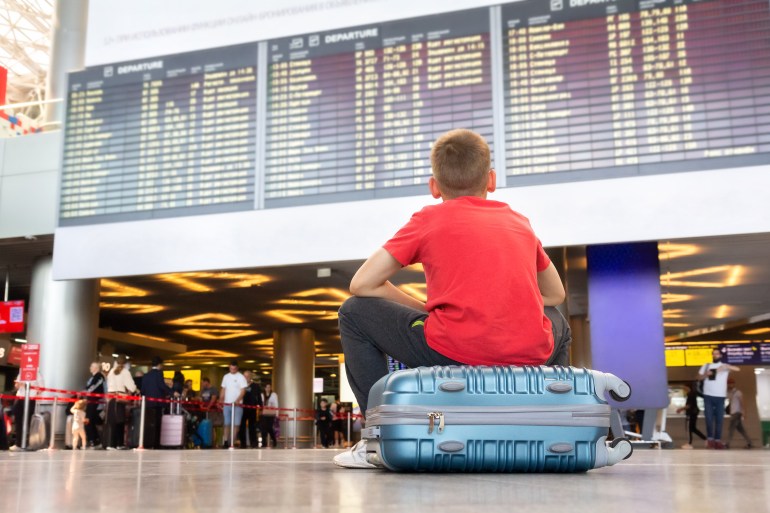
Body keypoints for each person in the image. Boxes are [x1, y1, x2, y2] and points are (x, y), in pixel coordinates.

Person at [334, 129, 570, 468]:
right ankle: (553, 424)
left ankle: (380, 436)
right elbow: (555, 294)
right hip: (529, 356)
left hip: (453, 350)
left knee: (353, 313)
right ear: (491, 180)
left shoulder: (428, 219)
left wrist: (424, 309)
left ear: (434, 186)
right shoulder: (519, 222)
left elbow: (363, 284)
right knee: (557, 319)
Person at [697, 348, 740, 449]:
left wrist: (725, 366)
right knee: (709, 418)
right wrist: (705, 375)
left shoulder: (724, 366)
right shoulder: (706, 366)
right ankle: (710, 439)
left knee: (719, 419)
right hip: (708, 395)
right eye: (713, 354)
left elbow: (738, 369)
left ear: (720, 355)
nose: (715, 355)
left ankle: (717, 440)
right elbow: (698, 378)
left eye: (717, 354)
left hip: (720, 396)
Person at [141, 356, 175, 449]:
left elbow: (143, 390)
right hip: (157, 403)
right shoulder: (159, 374)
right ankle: (156, 444)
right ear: (160, 364)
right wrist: (172, 392)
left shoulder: (146, 375)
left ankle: (147, 442)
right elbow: (161, 386)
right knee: (157, 423)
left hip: (148, 403)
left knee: (148, 424)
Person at [104, 354, 137, 450]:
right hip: (120, 398)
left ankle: (110, 443)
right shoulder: (125, 372)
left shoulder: (111, 371)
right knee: (120, 421)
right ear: (125, 363)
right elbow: (132, 387)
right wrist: (135, 389)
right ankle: (119, 444)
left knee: (111, 421)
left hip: (110, 399)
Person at [10, 369, 43, 451]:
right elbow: (16, 386)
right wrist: (18, 384)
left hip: (30, 398)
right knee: (18, 421)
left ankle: (27, 443)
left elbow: (41, 388)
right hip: (20, 397)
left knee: (28, 421)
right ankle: (18, 443)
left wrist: (30, 388)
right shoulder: (22, 371)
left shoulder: (37, 373)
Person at [219, 360, 247, 449]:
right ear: (229, 367)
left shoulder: (241, 377)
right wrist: (221, 399)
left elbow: (243, 390)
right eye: (231, 369)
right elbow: (223, 389)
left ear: (237, 368)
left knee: (236, 424)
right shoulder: (226, 377)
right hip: (227, 404)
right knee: (227, 423)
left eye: (234, 369)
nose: (233, 370)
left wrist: (238, 400)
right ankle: (226, 441)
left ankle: (232, 441)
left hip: (237, 405)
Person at [726, 379, 753, 449]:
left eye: (731, 383)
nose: (729, 385)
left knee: (731, 428)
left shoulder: (738, 393)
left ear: (733, 384)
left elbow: (742, 402)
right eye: (728, 384)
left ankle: (727, 443)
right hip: (733, 413)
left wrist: (744, 412)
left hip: (737, 413)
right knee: (741, 429)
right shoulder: (729, 393)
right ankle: (749, 443)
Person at [677, 383, 705, 450]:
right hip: (694, 412)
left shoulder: (690, 394)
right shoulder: (693, 394)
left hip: (692, 413)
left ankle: (689, 443)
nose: (684, 390)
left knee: (690, 428)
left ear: (688, 387)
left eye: (684, 388)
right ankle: (706, 439)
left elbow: (689, 405)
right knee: (693, 428)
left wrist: (680, 409)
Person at [84, 361, 105, 447]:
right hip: (91, 401)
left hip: (95, 402)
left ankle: (93, 440)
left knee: (88, 420)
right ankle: (95, 439)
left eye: (92, 366)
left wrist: (86, 392)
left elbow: (93, 387)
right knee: (90, 421)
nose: (90, 367)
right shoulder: (92, 377)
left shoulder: (99, 377)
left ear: (96, 368)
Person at [239, 371, 262, 449]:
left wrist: (261, 406)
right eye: (244, 376)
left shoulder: (255, 386)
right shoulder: (241, 385)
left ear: (250, 377)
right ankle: (243, 443)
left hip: (252, 408)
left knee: (252, 426)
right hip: (242, 408)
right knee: (242, 426)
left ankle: (253, 443)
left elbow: (259, 397)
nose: (246, 378)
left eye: (247, 376)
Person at [260, 383, 279, 448]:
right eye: (267, 387)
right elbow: (261, 404)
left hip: (271, 414)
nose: (268, 388)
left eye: (269, 387)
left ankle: (274, 440)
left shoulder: (274, 395)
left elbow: (276, 404)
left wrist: (277, 414)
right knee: (263, 429)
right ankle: (263, 443)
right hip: (264, 414)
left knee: (269, 428)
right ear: (265, 388)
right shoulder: (262, 395)